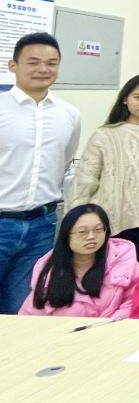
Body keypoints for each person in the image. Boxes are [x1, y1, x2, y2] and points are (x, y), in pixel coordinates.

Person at [0, 32, 80, 314]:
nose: (43, 69)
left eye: (51, 63)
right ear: (13, 65)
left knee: (23, 308)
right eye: (33, 62)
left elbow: (65, 160)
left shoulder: (69, 114)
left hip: (42, 225)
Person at [69, 73, 139, 262]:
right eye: (137, 97)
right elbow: (85, 181)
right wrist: (74, 221)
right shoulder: (105, 135)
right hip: (109, 225)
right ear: (125, 99)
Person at [20, 204, 139, 318]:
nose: (91, 236)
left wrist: (106, 327)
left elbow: (133, 303)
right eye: (82, 232)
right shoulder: (49, 270)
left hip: (113, 329)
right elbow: (31, 314)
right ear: (66, 235)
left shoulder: (125, 263)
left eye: (98, 230)